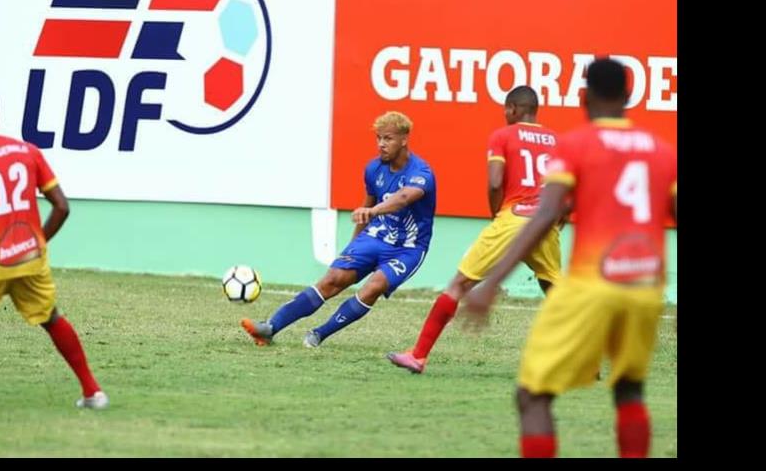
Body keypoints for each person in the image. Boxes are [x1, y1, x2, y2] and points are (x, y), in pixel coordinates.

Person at [461, 58, 677, 458]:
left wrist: (491, 283)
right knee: (630, 390)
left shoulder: (577, 145)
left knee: (533, 394)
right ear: (629, 97)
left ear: (584, 96)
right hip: (646, 286)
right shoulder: (662, 151)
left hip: (593, 286)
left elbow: (546, 214)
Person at [388, 86, 561, 374]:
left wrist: (498, 215)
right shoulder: (557, 141)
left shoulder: (503, 135)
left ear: (513, 109)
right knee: (555, 291)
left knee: (459, 284)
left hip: (513, 218)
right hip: (545, 220)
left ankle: (418, 355)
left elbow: (495, 182)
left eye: (506, 110)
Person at [0, 88, 108, 409]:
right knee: (51, 318)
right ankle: (93, 392)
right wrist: (33, 243)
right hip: (29, 258)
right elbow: (62, 207)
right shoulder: (28, 151)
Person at [241, 111, 436, 348]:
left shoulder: (421, 173)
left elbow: (404, 198)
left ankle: (320, 334)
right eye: (379, 138)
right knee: (332, 279)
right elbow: (367, 206)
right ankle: (270, 327)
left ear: (404, 139)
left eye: (388, 139)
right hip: (376, 236)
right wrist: (353, 246)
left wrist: (373, 212)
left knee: (373, 287)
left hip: (408, 247)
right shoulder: (374, 169)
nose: (381, 145)